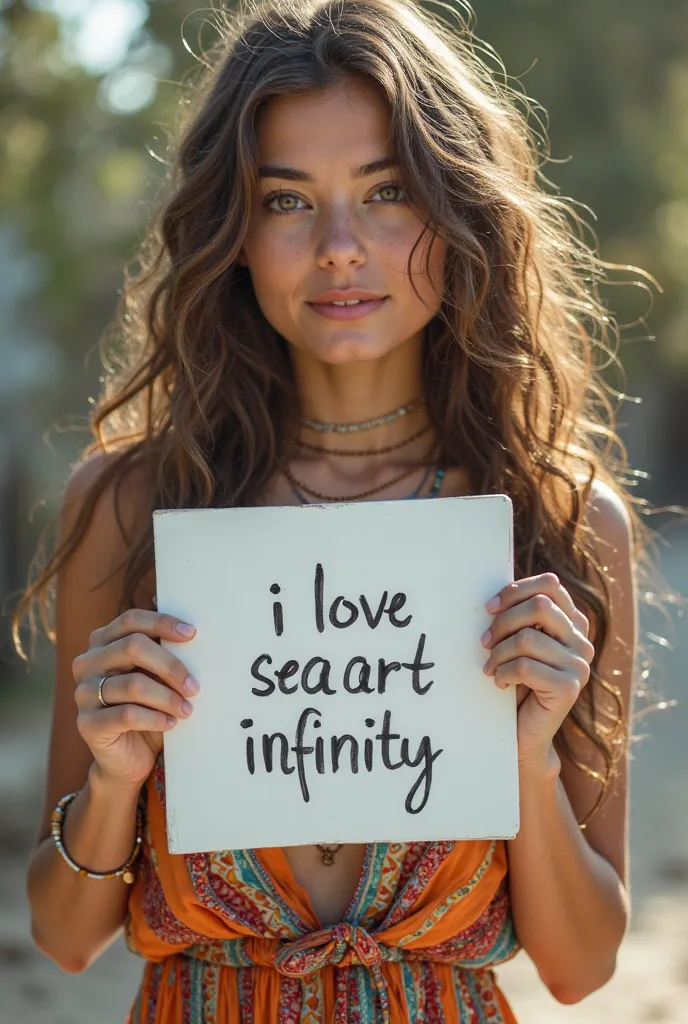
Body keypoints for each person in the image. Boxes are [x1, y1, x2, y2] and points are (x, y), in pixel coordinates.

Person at [13, 0, 643, 1020]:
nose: (340, 247)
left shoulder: (559, 524)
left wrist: (522, 759)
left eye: (387, 192)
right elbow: (63, 937)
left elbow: (580, 968)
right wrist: (117, 780)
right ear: (235, 231)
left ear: (458, 211)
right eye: (288, 201)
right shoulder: (133, 508)